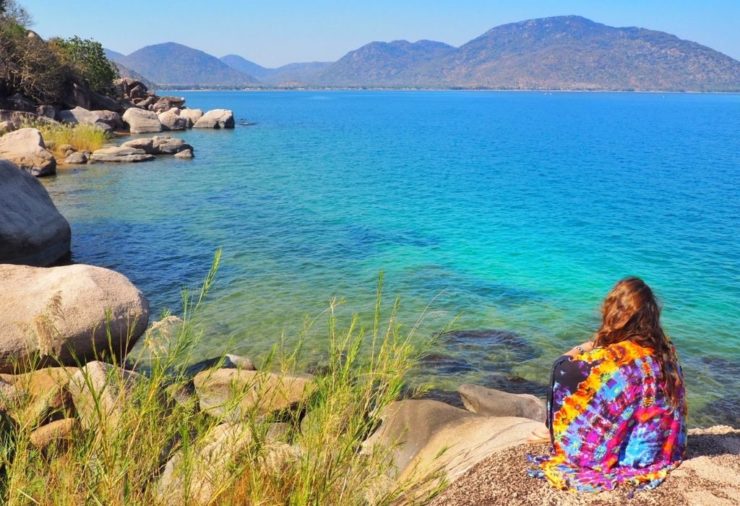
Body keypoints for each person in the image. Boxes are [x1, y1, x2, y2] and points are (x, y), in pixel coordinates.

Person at [528, 277, 687, 492]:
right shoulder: (666, 350)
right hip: (666, 449)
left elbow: (561, 368)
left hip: (628, 459)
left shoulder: (615, 358)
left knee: (568, 382)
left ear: (613, 313)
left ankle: (557, 434)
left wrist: (586, 346)